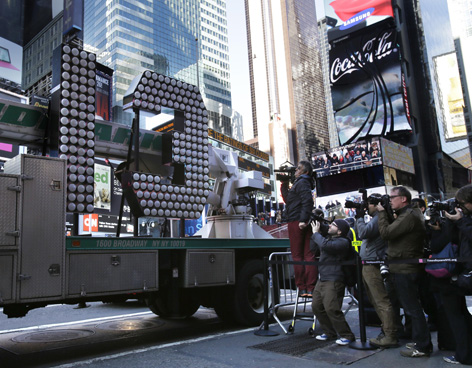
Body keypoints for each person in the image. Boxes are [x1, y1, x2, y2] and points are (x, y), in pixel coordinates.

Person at [377, 186, 432, 358]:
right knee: (409, 307)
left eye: (393, 197)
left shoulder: (409, 216)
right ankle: (419, 340)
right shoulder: (407, 214)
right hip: (400, 266)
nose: (390, 200)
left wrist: (381, 213)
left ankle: (423, 346)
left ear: (403, 199)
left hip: (405, 268)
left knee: (412, 309)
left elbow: (386, 233)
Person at [355, 194, 398, 348]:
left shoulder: (379, 217)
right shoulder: (377, 218)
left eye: (368, 204)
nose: (366, 207)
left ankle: (390, 334)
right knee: (376, 300)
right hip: (369, 263)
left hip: (374, 264)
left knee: (381, 300)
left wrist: (359, 218)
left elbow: (363, 233)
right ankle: (388, 331)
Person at [439, 184, 472, 365]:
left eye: (463, 203)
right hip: (464, 269)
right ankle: (465, 353)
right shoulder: (465, 218)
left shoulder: (466, 220)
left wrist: (460, 221)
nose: (460, 207)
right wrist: (451, 222)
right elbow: (453, 240)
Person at [310, 218, 356, 345]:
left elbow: (325, 246)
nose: (329, 226)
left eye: (333, 225)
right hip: (323, 278)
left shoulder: (343, 242)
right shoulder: (328, 239)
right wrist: (316, 233)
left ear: (340, 231)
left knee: (332, 308)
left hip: (334, 278)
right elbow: (313, 248)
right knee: (316, 307)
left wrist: (316, 233)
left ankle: (347, 334)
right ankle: (329, 332)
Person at [280, 161, 317, 298]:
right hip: (299, 220)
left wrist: (302, 220)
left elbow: (307, 201)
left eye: (298, 168)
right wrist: (284, 184)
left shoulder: (302, 182)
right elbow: (288, 199)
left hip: (297, 221)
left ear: (305, 172)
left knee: (298, 255)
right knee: (308, 254)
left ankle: (303, 288)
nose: (296, 170)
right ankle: (310, 288)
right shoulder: (302, 182)